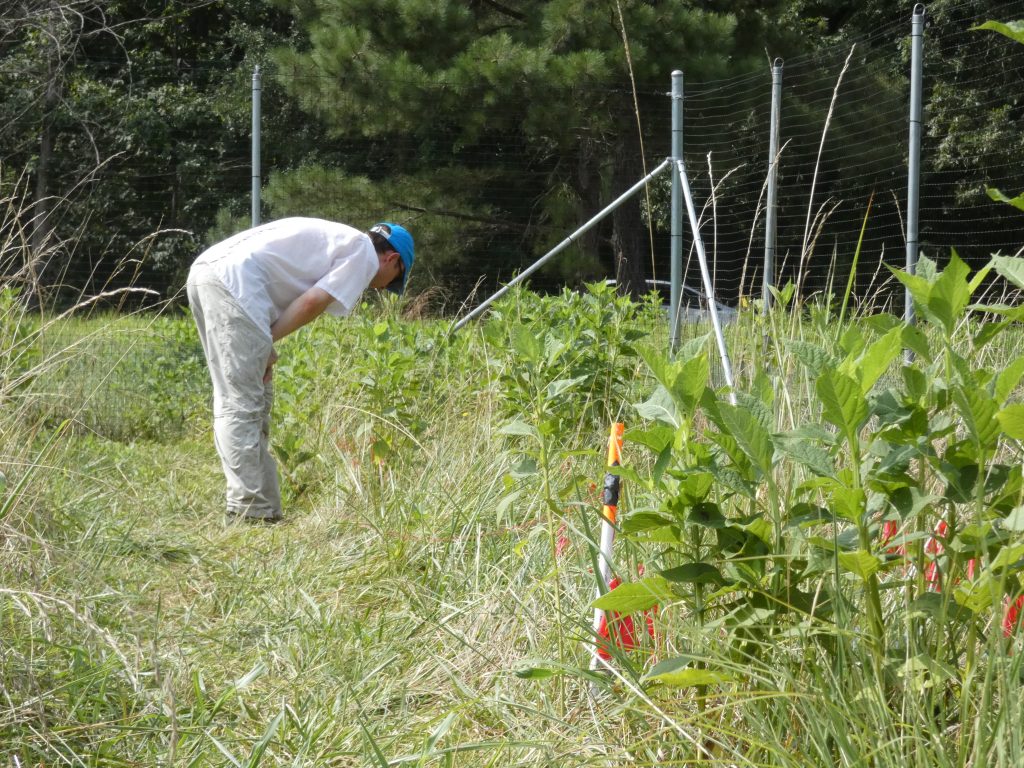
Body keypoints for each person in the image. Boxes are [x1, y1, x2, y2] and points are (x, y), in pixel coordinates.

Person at [186, 217, 415, 523]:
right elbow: (312, 302)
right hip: (234, 284)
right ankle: (247, 511)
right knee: (241, 402)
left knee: (254, 397)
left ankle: (265, 508)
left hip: (209, 270)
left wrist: (264, 346)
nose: (386, 288)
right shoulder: (363, 253)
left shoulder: (342, 240)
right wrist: (266, 344)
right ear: (392, 258)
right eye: (394, 279)